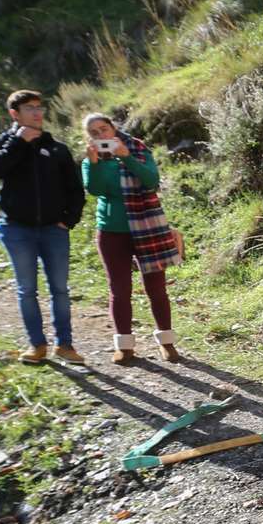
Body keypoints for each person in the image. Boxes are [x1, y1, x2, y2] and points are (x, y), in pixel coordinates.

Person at [0, 89, 86, 364]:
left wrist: (69, 220)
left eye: (40, 107)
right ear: (14, 114)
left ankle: (64, 345)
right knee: (27, 290)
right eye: (30, 108)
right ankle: (36, 345)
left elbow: (75, 190)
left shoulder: (57, 148)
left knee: (60, 290)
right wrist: (18, 143)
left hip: (55, 230)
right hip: (16, 230)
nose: (38, 112)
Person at [81, 113, 182, 364]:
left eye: (104, 129)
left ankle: (167, 342)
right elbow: (96, 190)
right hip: (111, 231)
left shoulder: (136, 148)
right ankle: (124, 346)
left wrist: (126, 156)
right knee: (119, 289)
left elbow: (151, 181)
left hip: (147, 226)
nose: (101, 135)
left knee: (156, 288)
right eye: (94, 133)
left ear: (113, 128)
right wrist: (94, 164)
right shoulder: (92, 159)